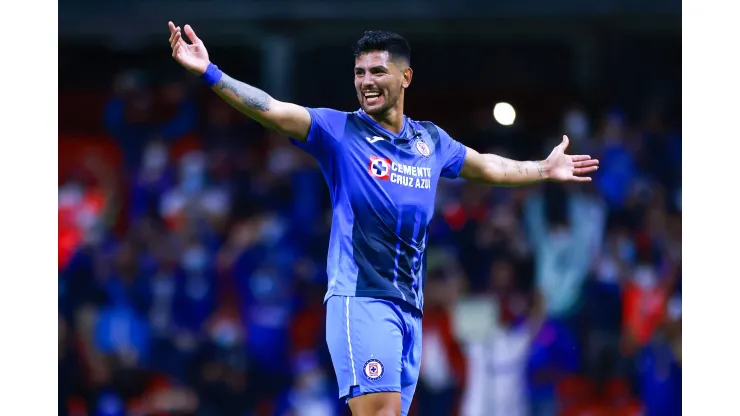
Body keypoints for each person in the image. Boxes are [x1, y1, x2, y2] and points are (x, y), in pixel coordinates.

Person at [167, 23, 599, 416]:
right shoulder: (339, 132)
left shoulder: (430, 140)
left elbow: (487, 166)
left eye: (377, 72)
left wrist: (543, 169)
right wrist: (212, 73)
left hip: (410, 308)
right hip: (362, 300)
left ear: (405, 77)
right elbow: (272, 110)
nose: (366, 83)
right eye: (359, 73)